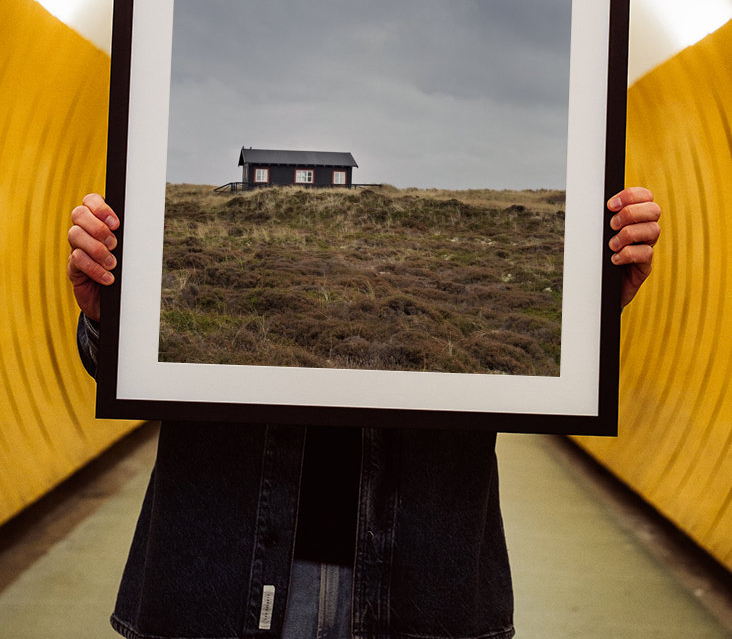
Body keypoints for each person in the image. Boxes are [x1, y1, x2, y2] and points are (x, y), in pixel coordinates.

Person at [68, 187, 661, 639]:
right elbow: (120, 367)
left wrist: (589, 313)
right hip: (218, 577)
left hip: (423, 584)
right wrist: (109, 318)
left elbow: (545, 367)